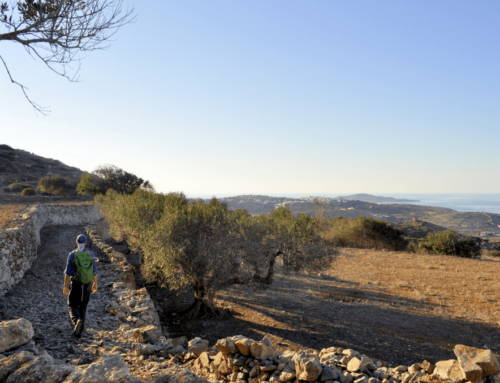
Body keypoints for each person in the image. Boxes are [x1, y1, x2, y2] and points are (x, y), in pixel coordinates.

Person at [63, 234, 98, 338]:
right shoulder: (91, 254)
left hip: (76, 284)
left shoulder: (72, 255)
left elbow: (68, 272)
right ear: (85, 243)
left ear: (76, 243)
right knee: (83, 306)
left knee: (72, 304)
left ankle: (77, 321)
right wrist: (95, 284)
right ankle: (80, 329)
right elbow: (94, 271)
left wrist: (65, 286)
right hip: (87, 284)